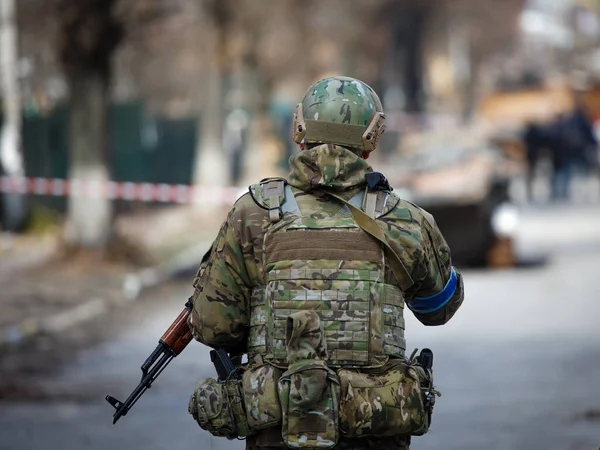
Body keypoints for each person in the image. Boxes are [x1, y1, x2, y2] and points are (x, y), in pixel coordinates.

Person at [186, 76, 465, 450]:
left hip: (278, 429)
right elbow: (439, 308)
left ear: (300, 131)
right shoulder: (405, 220)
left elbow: (212, 327)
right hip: (374, 427)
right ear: (371, 140)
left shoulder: (251, 214)